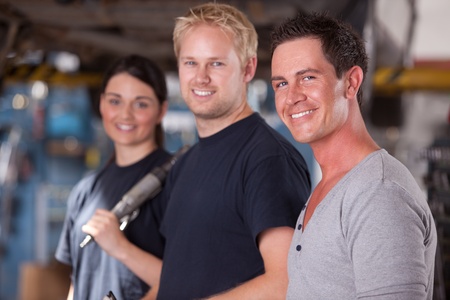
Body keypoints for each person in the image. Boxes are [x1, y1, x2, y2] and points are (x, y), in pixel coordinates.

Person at [270, 12, 437, 299]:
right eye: (281, 84)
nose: (291, 97)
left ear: (351, 82)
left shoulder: (378, 193)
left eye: (307, 77)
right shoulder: (332, 185)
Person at [154, 3, 311, 299]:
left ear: (248, 68)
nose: (200, 77)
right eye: (190, 63)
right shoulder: (184, 164)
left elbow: (286, 282)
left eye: (216, 64)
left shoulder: (267, 159)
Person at [55, 54, 170, 300]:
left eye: (140, 104)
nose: (125, 115)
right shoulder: (86, 190)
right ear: (101, 104)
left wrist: (121, 248)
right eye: (115, 101)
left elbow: (189, 282)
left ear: (161, 111)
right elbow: (78, 280)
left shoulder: (178, 181)